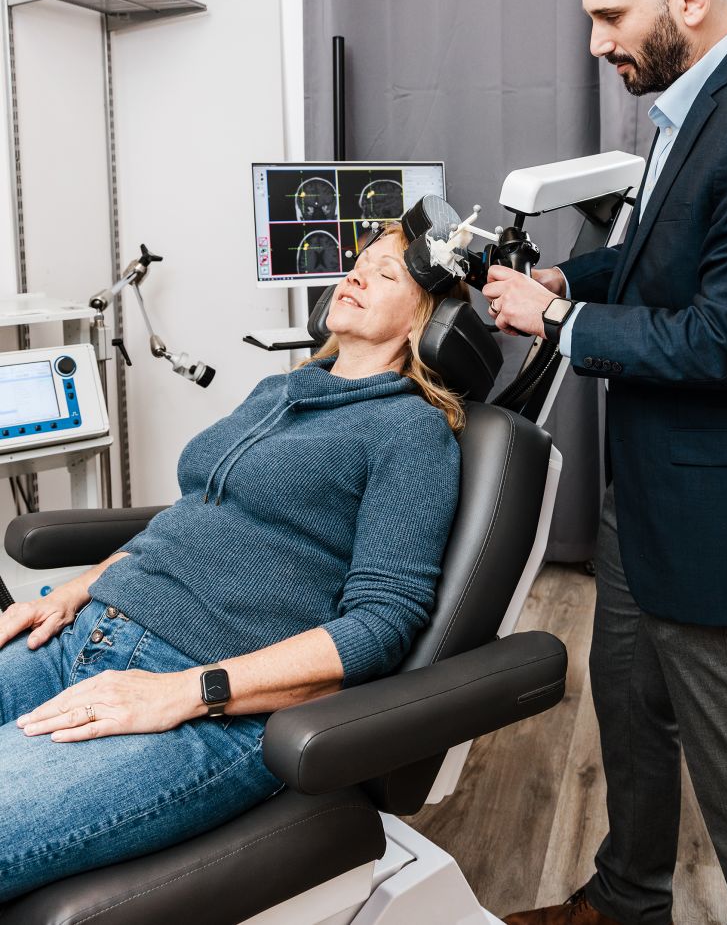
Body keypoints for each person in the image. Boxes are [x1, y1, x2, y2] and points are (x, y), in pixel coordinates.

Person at [488, 0, 727, 925]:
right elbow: (656, 263)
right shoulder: (699, 107)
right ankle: (624, 901)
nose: (596, 42)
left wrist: (559, 329)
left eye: (609, 17)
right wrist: (563, 281)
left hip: (719, 519)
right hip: (645, 501)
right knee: (633, 715)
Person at [0, 224, 464, 902]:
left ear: (427, 324)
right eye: (358, 264)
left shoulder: (410, 430)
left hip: (203, 697)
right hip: (82, 632)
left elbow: (382, 623)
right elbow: (192, 516)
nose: (355, 276)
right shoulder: (278, 391)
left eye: (387, 274)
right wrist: (76, 588)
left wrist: (188, 691)